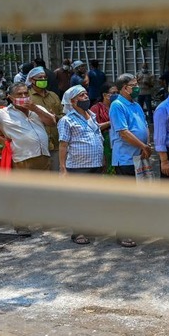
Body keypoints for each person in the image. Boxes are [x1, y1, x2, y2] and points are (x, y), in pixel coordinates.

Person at [0, 82, 57, 236]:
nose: (23, 97)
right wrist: (2, 140)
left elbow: (51, 122)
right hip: (23, 157)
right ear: (10, 97)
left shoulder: (35, 108)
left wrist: (34, 108)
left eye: (25, 94)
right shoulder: (3, 113)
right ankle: (21, 224)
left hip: (43, 154)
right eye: (19, 94)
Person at [57, 85, 105, 245]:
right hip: (77, 166)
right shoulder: (67, 120)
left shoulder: (91, 116)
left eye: (85, 94)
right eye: (81, 95)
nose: (86, 97)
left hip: (95, 164)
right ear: (73, 101)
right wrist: (63, 168)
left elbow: (98, 138)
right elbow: (63, 145)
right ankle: (78, 232)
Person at [109, 73, 152, 248]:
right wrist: (143, 145)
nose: (136, 87)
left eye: (136, 84)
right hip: (125, 158)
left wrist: (145, 145)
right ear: (123, 88)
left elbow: (143, 125)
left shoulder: (135, 104)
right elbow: (123, 132)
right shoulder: (117, 105)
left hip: (138, 157)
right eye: (133, 85)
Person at [27, 67, 64, 171]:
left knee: (56, 174)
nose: (43, 79)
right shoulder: (28, 97)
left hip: (56, 142)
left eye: (44, 77)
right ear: (31, 80)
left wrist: (56, 117)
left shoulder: (53, 96)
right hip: (37, 145)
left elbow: (63, 114)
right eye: (39, 77)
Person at [90, 82, 118, 174]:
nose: (116, 95)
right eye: (113, 93)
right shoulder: (96, 108)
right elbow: (94, 127)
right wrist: (111, 122)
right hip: (104, 143)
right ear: (105, 95)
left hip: (118, 142)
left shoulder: (118, 106)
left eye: (117, 93)